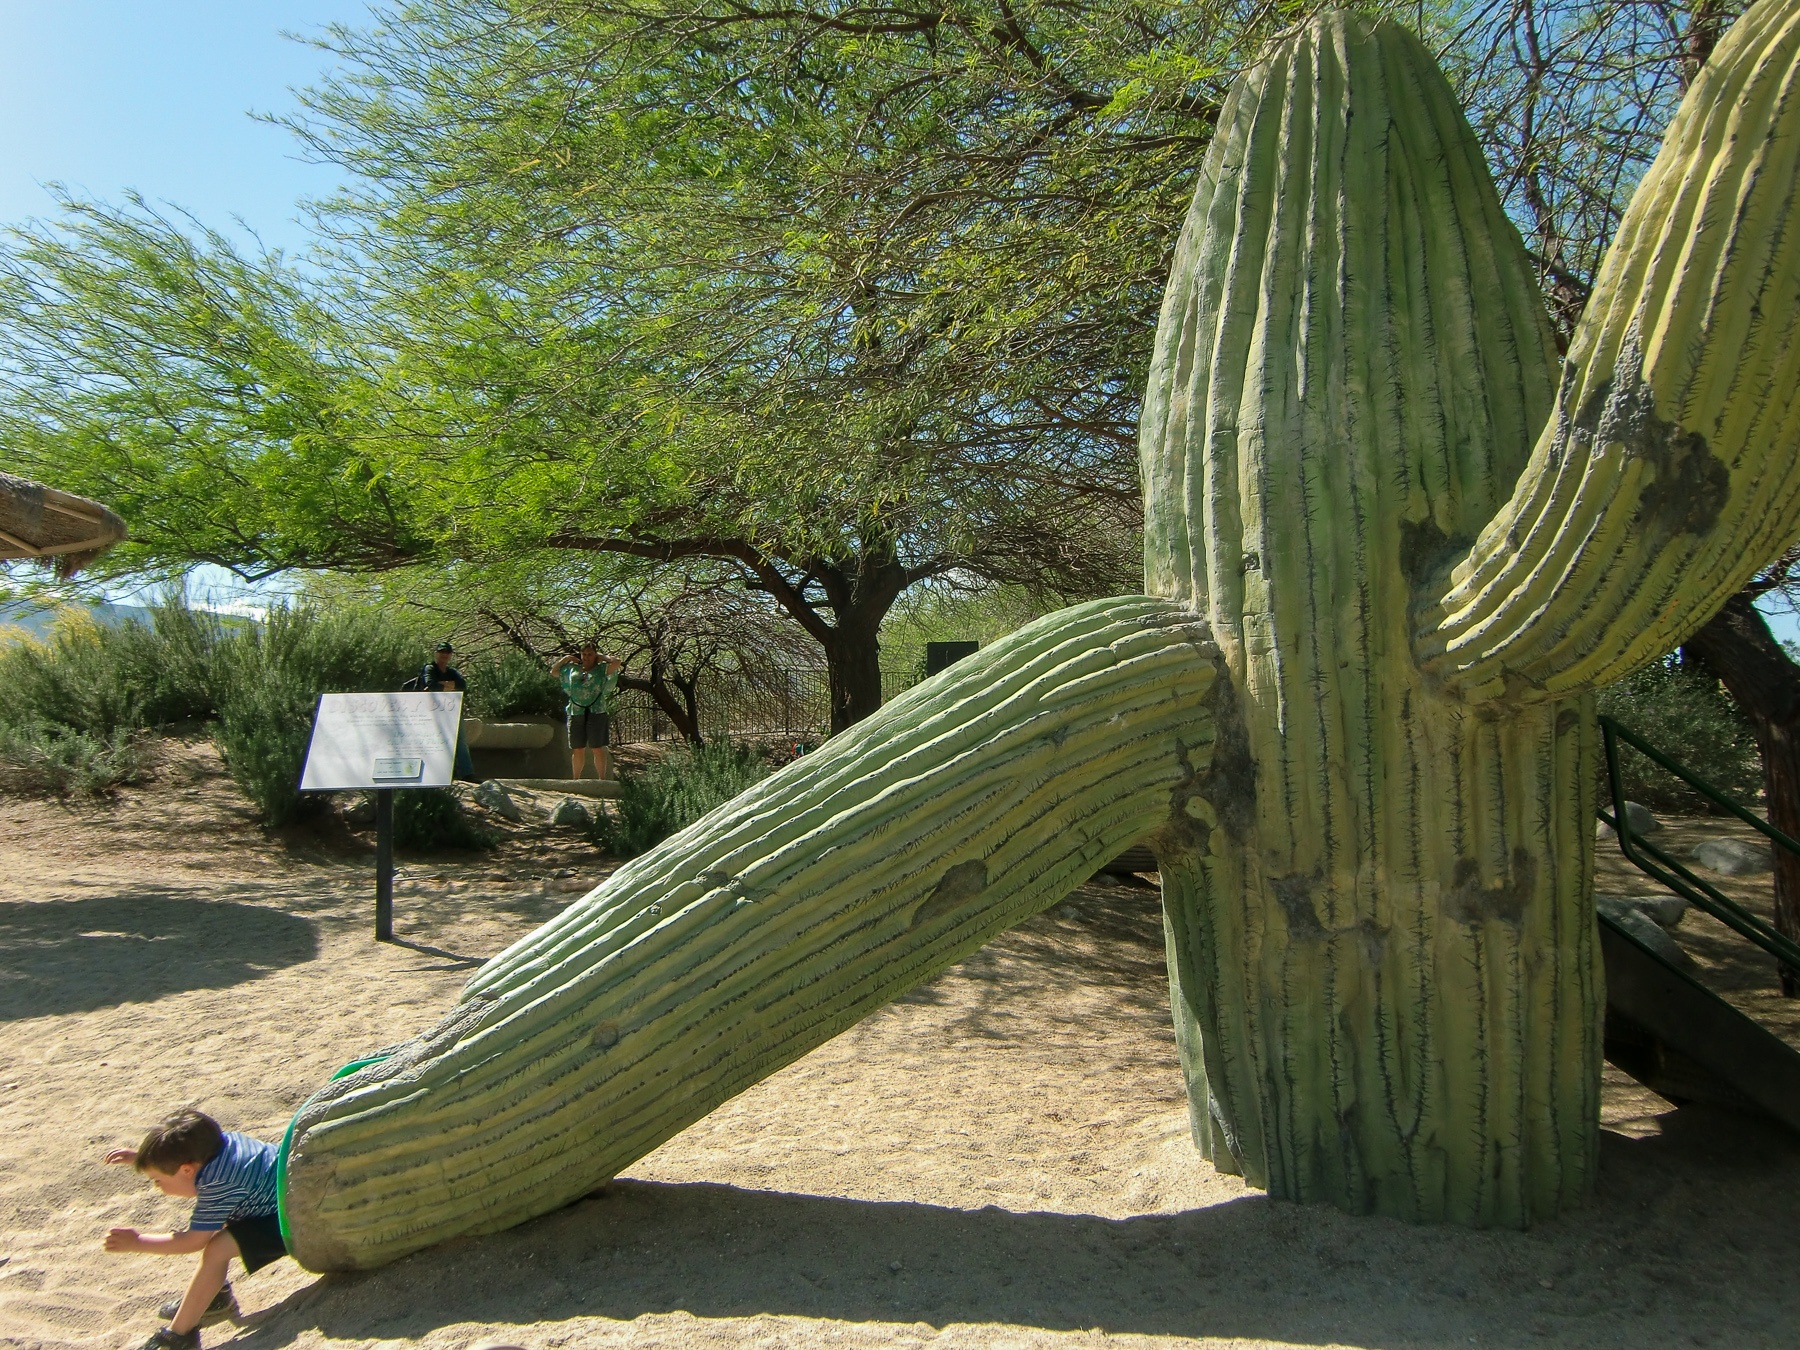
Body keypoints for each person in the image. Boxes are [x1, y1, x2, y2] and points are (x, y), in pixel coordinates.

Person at [102, 1108, 288, 1350]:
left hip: (294, 1218)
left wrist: (137, 1242)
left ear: (187, 1169)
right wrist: (145, 1159)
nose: (157, 1186)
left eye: (158, 1180)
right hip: (282, 1192)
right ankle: (214, 1297)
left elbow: (192, 1242)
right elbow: (187, 1165)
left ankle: (179, 1337)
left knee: (216, 1249)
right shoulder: (220, 1145)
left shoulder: (218, 1184)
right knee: (219, 1218)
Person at [550, 641, 622, 780]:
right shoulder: (572, 669)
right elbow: (554, 672)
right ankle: (576, 779)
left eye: (590, 654)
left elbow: (617, 662)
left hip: (596, 711)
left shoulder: (602, 669)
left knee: (597, 747)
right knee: (577, 748)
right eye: (584, 654)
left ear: (595, 655)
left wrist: (602, 657)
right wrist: (566, 659)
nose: (586, 657)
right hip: (576, 711)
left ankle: (602, 780)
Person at [417, 640, 476, 781]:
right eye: (441, 652)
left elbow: (462, 685)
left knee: (460, 740)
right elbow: (431, 685)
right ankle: (434, 773)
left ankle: (467, 774)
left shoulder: (452, 672)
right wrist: (449, 686)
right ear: (436, 653)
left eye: (447, 652)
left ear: (450, 655)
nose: (444, 655)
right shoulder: (430, 668)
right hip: (431, 712)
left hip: (451, 710)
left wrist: (442, 685)